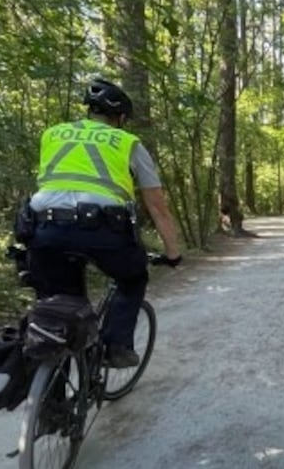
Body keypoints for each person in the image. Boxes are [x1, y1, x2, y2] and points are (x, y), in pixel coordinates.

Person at [25, 75, 182, 368]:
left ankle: (52, 404)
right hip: (101, 230)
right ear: (120, 117)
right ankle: (116, 347)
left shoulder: (53, 134)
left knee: (58, 308)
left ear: (89, 111)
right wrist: (173, 252)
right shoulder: (127, 142)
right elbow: (157, 206)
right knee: (133, 278)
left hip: (43, 228)